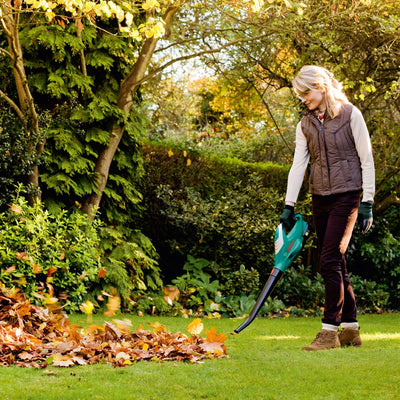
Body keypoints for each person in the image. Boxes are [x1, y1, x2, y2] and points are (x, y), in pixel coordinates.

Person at [280, 65, 375, 351]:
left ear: (321, 86)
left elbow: (366, 157)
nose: (303, 99)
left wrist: (367, 201)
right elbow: (299, 165)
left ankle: (328, 331)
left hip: (347, 195)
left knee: (329, 260)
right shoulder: (305, 123)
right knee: (336, 261)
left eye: (305, 92)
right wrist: (289, 204)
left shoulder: (350, 115)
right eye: (300, 94)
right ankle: (350, 329)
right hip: (320, 196)